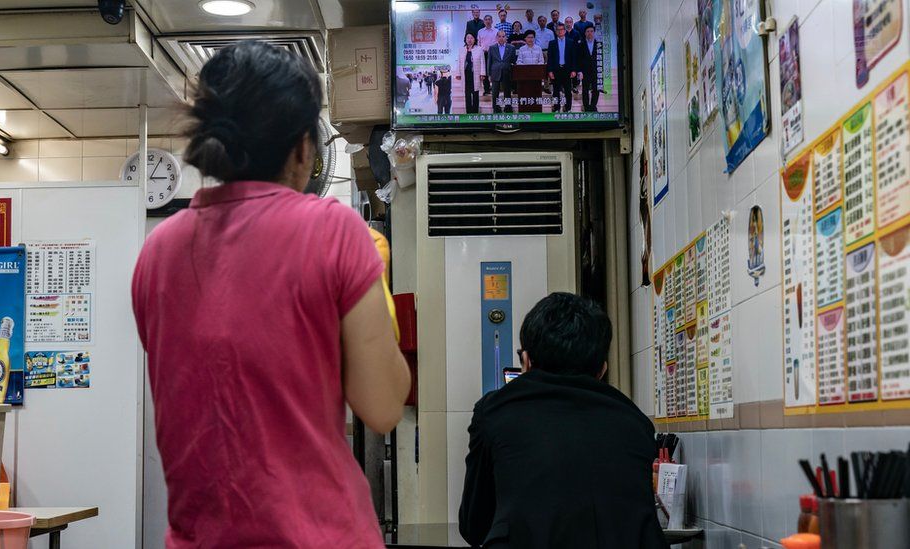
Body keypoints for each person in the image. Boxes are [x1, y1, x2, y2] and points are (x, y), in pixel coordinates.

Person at [132, 41, 411, 548]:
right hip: (320, 535)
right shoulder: (335, 232)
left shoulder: (157, 252)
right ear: (304, 147)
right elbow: (384, 406)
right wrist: (379, 291)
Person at [458, 293, 668, 549]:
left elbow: (474, 525)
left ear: (526, 361)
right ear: (602, 369)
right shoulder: (636, 423)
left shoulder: (494, 411)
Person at [547, 23, 577, 113]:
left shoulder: (570, 42)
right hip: (556, 70)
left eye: (561, 29)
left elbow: (574, 57)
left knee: (568, 91)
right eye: (558, 30)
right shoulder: (552, 43)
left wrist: (574, 70)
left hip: (567, 70)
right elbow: (550, 58)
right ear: (556, 32)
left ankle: (568, 108)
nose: (560, 31)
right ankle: (556, 108)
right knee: (556, 91)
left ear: (564, 31)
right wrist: (550, 71)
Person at [487, 29, 516, 113]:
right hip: (495, 71)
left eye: (503, 36)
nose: (501, 38)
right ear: (496, 37)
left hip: (507, 71)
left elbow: (513, 61)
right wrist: (489, 74)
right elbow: (489, 61)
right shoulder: (492, 48)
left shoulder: (511, 47)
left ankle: (508, 107)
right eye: (499, 36)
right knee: (495, 92)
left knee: (507, 92)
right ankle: (496, 108)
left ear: (506, 37)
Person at [458, 32, 485, 114]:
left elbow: (482, 62)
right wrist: (458, 74)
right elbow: (459, 62)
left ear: (474, 39)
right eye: (467, 38)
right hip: (466, 75)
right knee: (467, 94)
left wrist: (482, 73)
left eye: (471, 38)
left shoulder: (479, 49)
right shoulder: (461, 50)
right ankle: (468, 113)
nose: (469, 40)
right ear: (465, 40)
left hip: (475, 75)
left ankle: (475, 112)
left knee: (475, 94)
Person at [580, 22, 600, 112]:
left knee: (596, 89)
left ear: (594, 32)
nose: (590, 33)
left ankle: (593, 106)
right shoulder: (581, 44)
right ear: (585, 33)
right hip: (585, 71)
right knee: (585, 90)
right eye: (588, 31)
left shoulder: (599, 44)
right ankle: (586, 106)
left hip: (596, 70)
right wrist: (579, 71)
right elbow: (578, 58)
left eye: (591, 31)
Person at [477, 15, 497, 95]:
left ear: (492, 21)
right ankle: (486, 89)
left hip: (494, 54)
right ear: (484, 21)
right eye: (486, 20)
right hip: (483, 53)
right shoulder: (480, 31)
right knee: (484, 72)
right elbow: (478, 44)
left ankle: (495, 89)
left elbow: (498, 43)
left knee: (494, 71)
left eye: (489, 19)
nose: (488, 21)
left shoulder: (496, 31)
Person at [564, 16, 582, 94]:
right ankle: (566, 87)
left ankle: (574, 87)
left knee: (574, 71)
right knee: (566, 72)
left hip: (575, 55)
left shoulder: (576, 33)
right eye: (567, 22)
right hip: (565, 56)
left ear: (572, 23)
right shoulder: (563, 32)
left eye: (570, 22)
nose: (568, 24)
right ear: (565, 23)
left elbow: (579, 44)